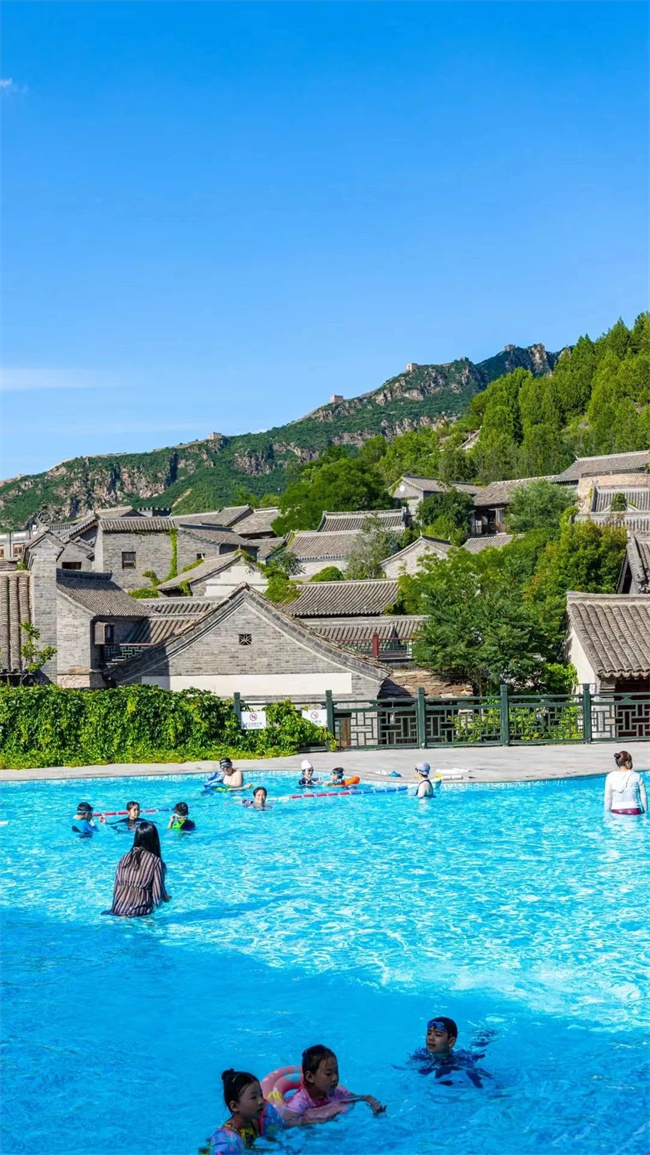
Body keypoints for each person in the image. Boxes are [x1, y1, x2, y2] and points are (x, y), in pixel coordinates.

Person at [207, 1068, 305, 1154]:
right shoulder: (228, 1139)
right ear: (234, 1106)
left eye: (261, 1095)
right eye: (253, 1097)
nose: (261, 1101)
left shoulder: (254, 1122)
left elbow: (277, 1134)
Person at [284, 1045, 385, 1120]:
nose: (335, 1078)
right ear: (310, 1077)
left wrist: (373, 1103)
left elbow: (361, 1098)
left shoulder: (338, 1091)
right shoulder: (301, 1100)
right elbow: (287, 1122)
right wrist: (316, 1121)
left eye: (336, 1072)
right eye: (328, 1074)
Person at [105, 822, 171, 917]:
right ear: (154, 839)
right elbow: (157, 895)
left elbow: (116, 888)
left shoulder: (124, 858)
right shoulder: (155, 861)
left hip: (117, 909)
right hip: (139, 911)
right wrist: (165, 898)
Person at [410, 1017, 488, 1087]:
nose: (430, 1038)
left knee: (475, 1048)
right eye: (429, 1033)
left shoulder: (461, 1061)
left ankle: (486, 1034)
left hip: (462, 1058)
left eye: (438, 1034)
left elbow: (478, 1079)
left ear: (451, 1042)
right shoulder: (421, 1054)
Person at [604, 751, 647, 816]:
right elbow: (643, 797)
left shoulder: (610, 776)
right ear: (627, 762)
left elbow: (608, 798)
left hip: (616, 811)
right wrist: (645, 812)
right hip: (634, 810)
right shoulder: (636, 776)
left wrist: (607, 813)